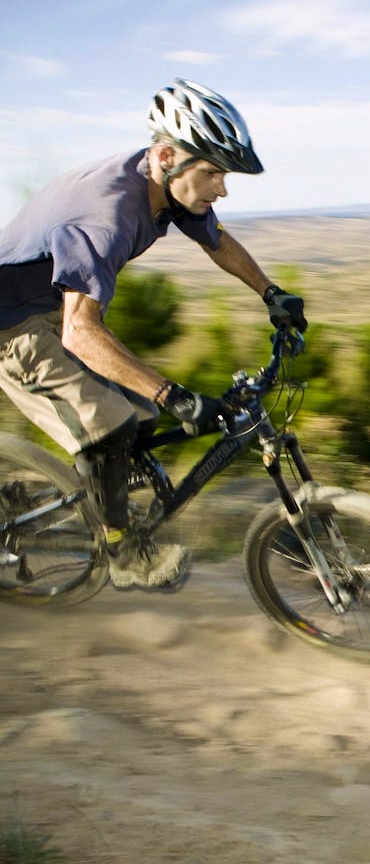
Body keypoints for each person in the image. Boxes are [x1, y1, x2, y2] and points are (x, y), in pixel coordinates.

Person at [0, 79, 306, 591]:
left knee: (140, 417)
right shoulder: (107, 216)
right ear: (166, 154)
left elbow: (218, 241)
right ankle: (122, 549)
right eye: (212, 172)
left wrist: (270, 292)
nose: (221, 188)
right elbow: (80, 333)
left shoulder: (166, 186)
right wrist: (173, 396)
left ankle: (86, 492)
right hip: (13, 326)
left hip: (55, 309)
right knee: (111, 424)